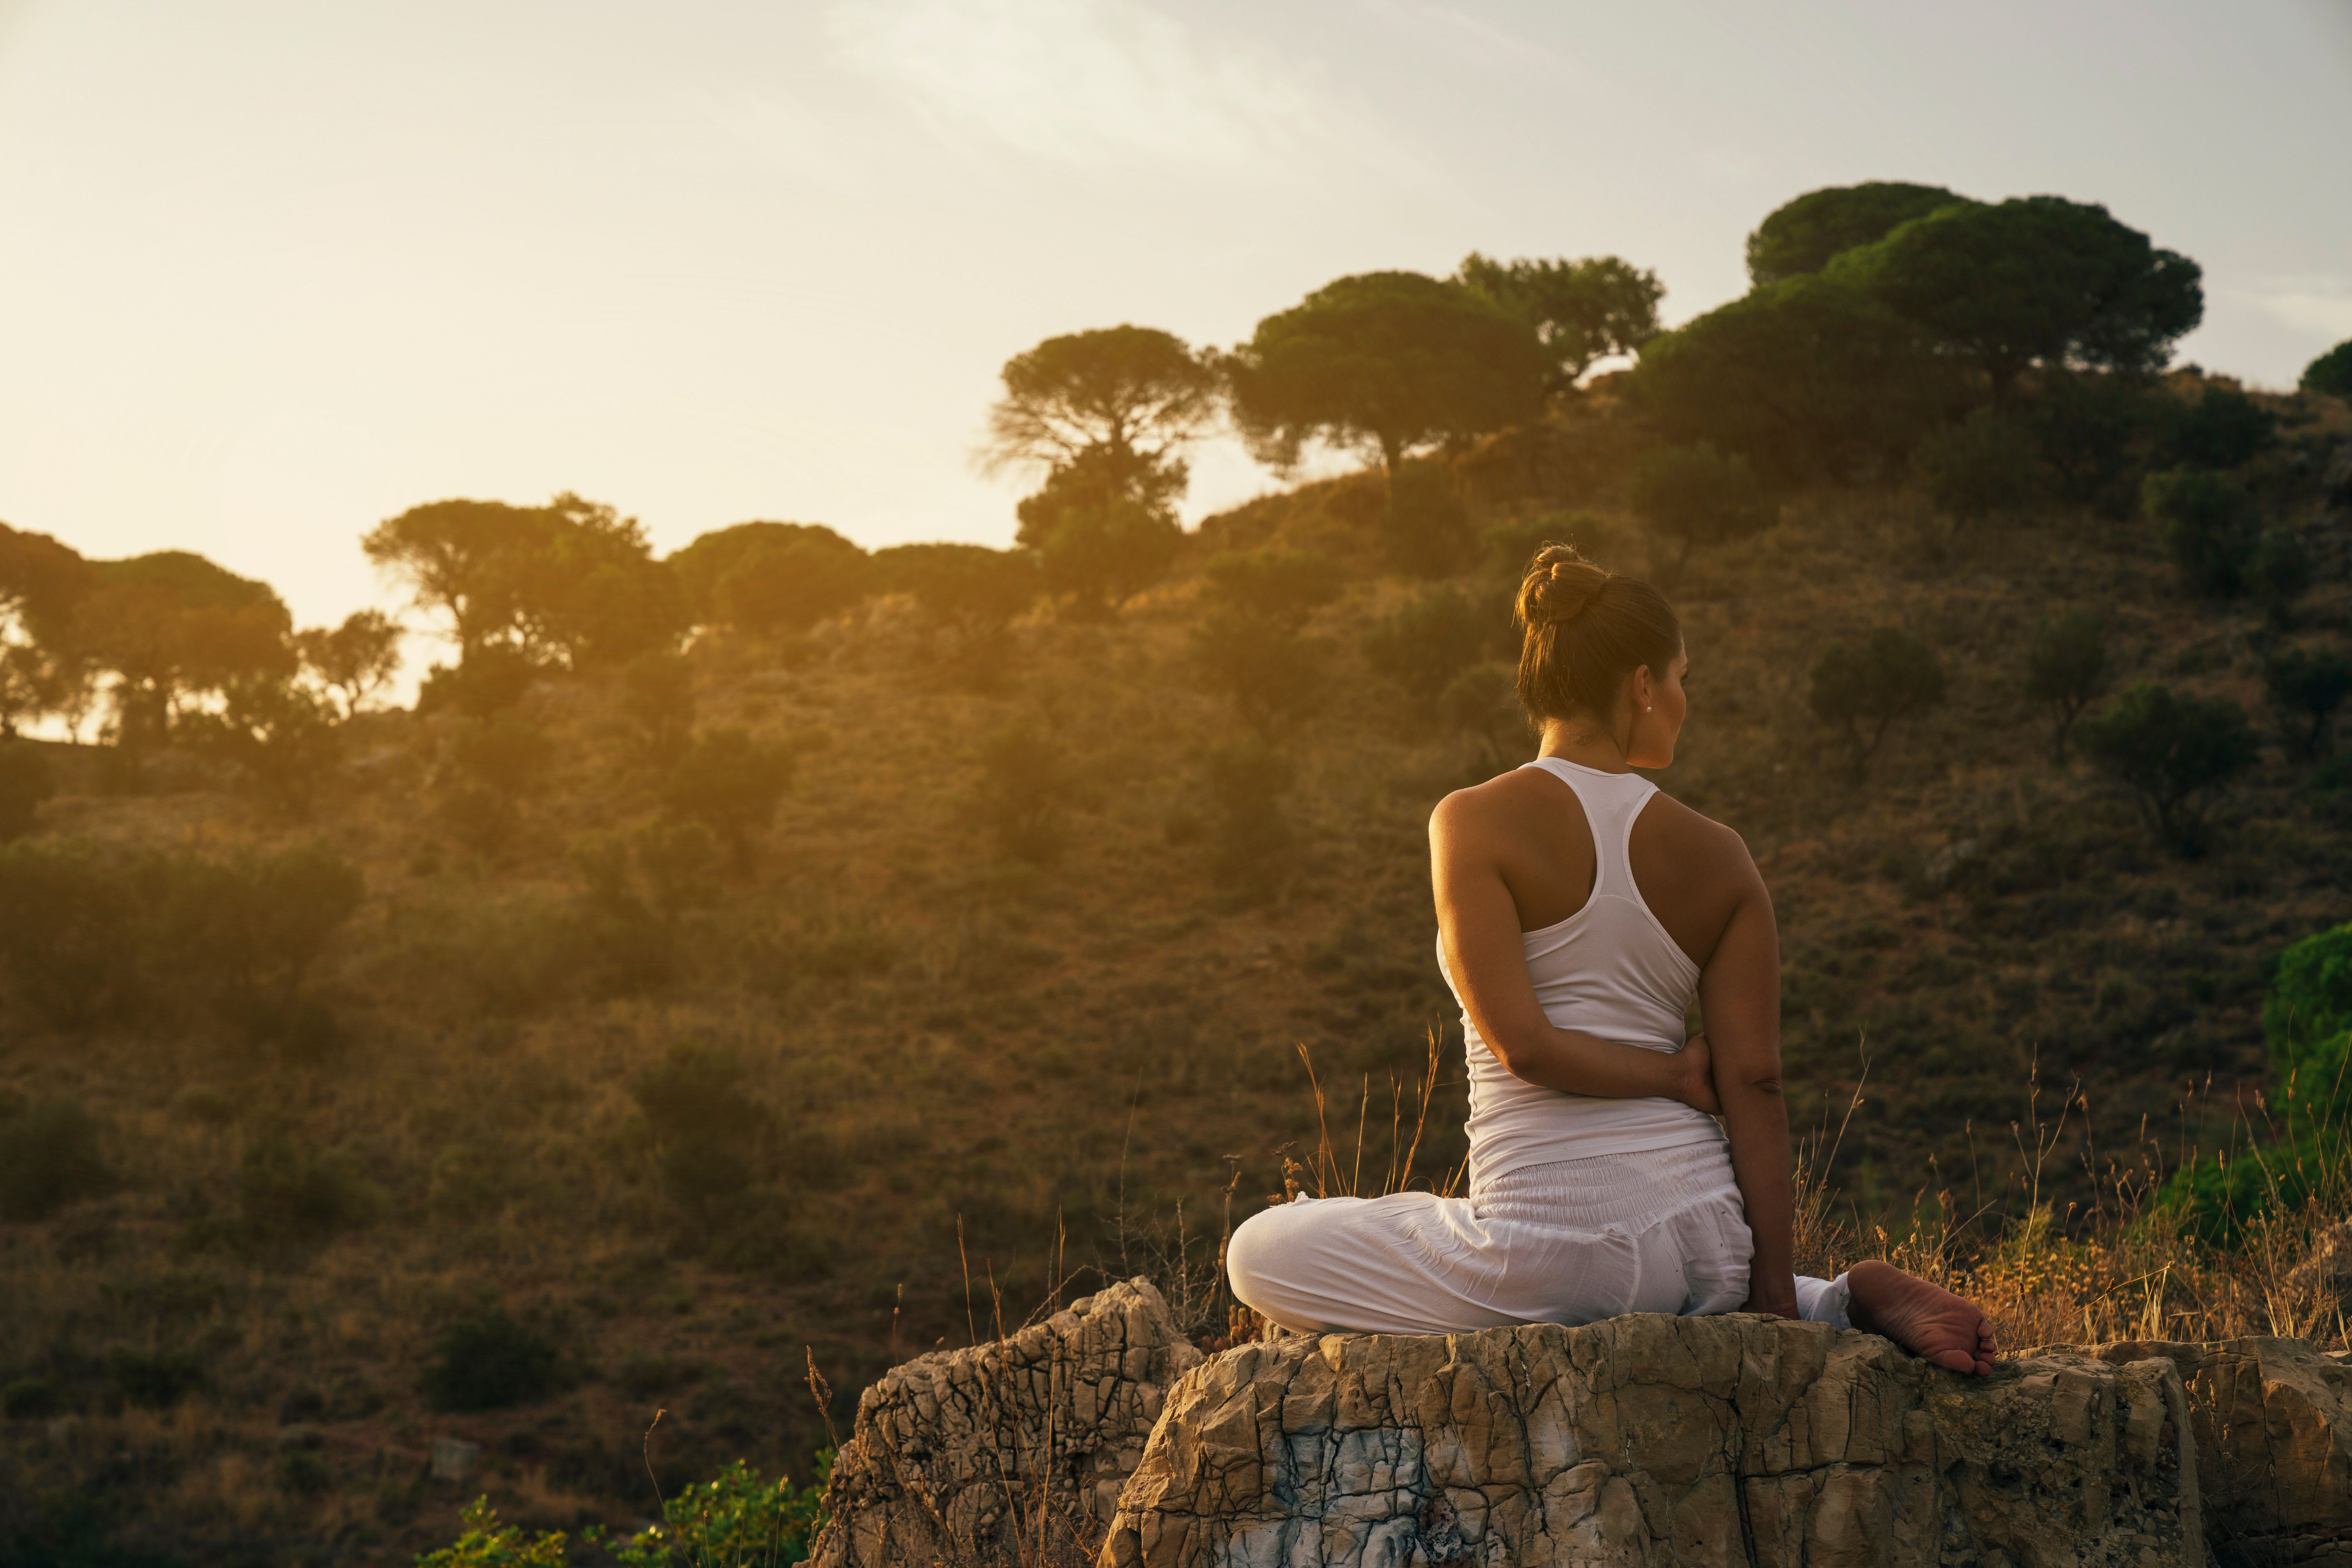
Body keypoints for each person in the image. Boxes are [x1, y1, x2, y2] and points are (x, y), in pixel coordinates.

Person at [1225, 548, 1995, 1375]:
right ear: (1640, 685)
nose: (1682, 701)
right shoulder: (1721, 855)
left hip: (1554, 1247)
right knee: (1680, 1276)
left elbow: (1525, 1045)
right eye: (1681, 678)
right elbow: (1757, 1082)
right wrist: (1768, 1290)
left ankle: (1824, 1294)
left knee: (1258, 1249)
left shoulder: (1472, 821)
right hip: (1708, 1240)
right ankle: (1829, 1298)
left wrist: (1670, 1075)